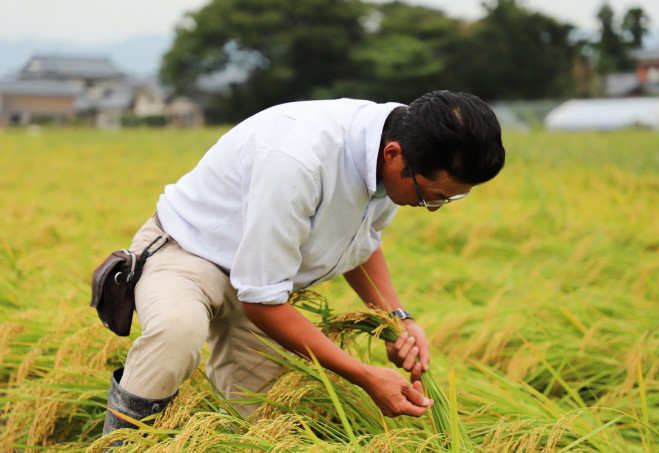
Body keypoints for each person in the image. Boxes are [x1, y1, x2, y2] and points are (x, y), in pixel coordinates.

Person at [102, 90, 505, 435]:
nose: (430, 207)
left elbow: (361, 244)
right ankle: (120, 441)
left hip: (270, 278)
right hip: (188, 253)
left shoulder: (405, 143)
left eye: (447, 199)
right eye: (429, 195)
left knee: (263, 422)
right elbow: (262, 303)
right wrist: (365, 377)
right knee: (178, 331)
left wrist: (397, 320)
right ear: (393, 154)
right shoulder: (299, 158)